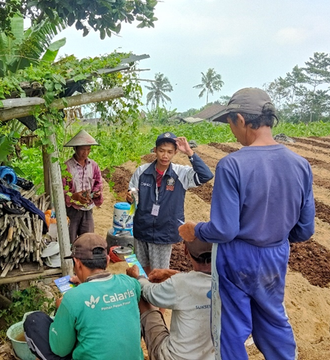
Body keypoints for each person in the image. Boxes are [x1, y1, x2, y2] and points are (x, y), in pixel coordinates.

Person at [178, 88, 315, 360]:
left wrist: (196, 230)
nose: (232, 131)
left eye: (230, 123)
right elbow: (304, 230)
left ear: (240, 119)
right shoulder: (300, 165)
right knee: (273, 319)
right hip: (275, 256)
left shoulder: (232, 165)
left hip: (236, 258)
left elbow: (225, 230)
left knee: (230, 329)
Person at [23, 233, 143, 360]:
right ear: (107, 260)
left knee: (34, 321)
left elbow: (60, 349)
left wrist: (61, 309)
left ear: (77, 263)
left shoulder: (72, 298)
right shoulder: (130, 283)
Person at [127, 132, 213, 275]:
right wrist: (130, 196)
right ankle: (143, 295)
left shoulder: (181, 173)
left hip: (164, 231)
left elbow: (206, 175)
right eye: (161, 151)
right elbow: (132, 192)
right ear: (155, 150)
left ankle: (156, 297)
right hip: (141, 228)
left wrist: (190, 152)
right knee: (141, 271)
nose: (165, 155)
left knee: (159, 273)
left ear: (175, 152)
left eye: (169, 152)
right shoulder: (142, 171)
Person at [126, 239, 214, 360]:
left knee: (142, 297)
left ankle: (132, 349)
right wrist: (172, 274)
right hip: (211, 356)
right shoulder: (229, 282)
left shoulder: (180, 283)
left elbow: (148, 293)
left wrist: (138, 277)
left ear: (186, 250)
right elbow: (200, 279)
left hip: (172, 357)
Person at [63, 129, 104, 243]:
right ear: (75, 148)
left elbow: (98, 183)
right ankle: (71, 261)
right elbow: (61, 189)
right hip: (71, 210)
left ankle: (84, 260)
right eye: (82, 149)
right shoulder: (66, 167)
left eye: (88, 149)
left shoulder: (93, 166)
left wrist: (96, 192)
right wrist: (73, 196)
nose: (85, 153)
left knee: (87, 240)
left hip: (87, 209)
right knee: (70, 239)